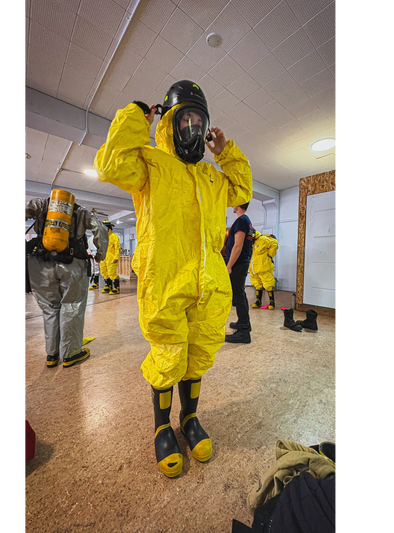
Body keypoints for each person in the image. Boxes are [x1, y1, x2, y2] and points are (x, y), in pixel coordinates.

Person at [94, 79, 252, 477]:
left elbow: (242, 189)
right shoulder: (150, 164)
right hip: (165, 282)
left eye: (200, 121)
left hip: (208, 286)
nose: (193, 128)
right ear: (170, 122)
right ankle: (161, 426)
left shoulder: (212, 177)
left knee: (198, 355)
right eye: (185, 119)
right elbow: (110, 165)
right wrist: (136, 117)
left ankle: (189, 417)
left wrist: (225, 151)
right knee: (168, 355)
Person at [22, 196, 108, 367]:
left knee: (50, 308)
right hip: (72, 262)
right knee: (72, 306)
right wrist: (101, 254)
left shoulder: (41, 205)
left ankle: (52, 354)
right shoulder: (80, 211)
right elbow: (100, 228)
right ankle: (71, 353)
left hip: (41, 262)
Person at [225, 203, 254, 344]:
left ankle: (244, 331)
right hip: (241, 262)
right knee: (240, 294)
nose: (232, 204)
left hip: (238, 263)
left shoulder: (241, 221)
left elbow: (238, 245)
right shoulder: (247, 221)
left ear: (238, 204)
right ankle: (244, 323)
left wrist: (229, 265)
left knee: (238, 295)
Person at [249, 232, 279, 309]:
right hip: (254, 268)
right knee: (257, 283)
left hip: (264, 267)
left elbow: (274, 243)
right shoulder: (252, 242)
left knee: (268, 283)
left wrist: (270, 254)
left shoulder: (264, 239)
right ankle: (258, 301)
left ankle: (272, 302)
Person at [99, 220, 121, 295]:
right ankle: (108, 286)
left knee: (112, 273)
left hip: (111, 258)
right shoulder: (102, 238)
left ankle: (116, 288)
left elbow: (117, 248)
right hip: (103, 258)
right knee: (104, 272)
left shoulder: (114, 236)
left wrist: (116, 257)